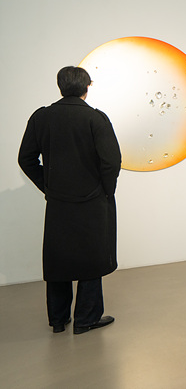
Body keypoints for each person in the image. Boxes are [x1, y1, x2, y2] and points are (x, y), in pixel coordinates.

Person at [18, 66, 121, 335]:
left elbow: (26, 159)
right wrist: (106, 190)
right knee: (91, 259)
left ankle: (58, 319)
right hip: (92, 202)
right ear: (87, 87)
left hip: (58, 202)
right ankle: (86, 319)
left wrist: (47, 186)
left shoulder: (41, 117)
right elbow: (111, 161)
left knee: (58, 258)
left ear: (60, 86)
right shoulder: (95, 118)